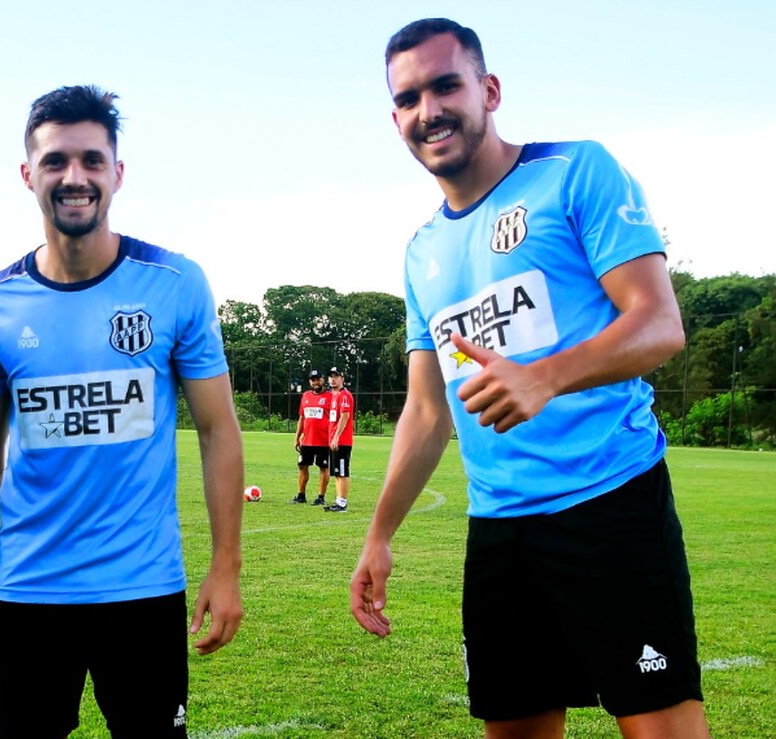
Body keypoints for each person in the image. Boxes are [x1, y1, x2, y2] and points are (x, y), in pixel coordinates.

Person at [349, 18, 710, 739]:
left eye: (446, 85)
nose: (430, 110)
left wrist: (545, 377)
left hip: (611, 503)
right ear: (396, 120)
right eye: (409, 97)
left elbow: (659, 320)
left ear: (488, 90)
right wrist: (379, 533)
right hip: (501, 531)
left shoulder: (576, 171)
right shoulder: (422, 251)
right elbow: (426, 410)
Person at [0, 84, 244, 738]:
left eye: (92, 160)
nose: (74, 176)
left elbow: (216, 428)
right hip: (29, 590)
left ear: (117, 173)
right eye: (56, 160)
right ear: (27, 174)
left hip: (143, 590)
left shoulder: (174, 283)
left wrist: (225, 564)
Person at [292, 369, 332, 505]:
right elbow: (302, 417)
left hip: (324, 441)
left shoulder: (331, 397)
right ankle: (301, 495)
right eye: (312, 379)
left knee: (323, 467)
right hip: (307, 440)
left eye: (318, 379)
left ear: (323, 380)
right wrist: (297, 437)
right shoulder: (306, 396)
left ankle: (321, 497)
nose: (315, 382)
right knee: (303, 466)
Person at [324, 367, 354, 512]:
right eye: (330, 377)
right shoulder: (333, 395)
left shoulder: (344, 395)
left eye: (336, 376)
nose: (333, 379)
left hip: (342, 441)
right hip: (334, 440)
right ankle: (338, 501)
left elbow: (345, 416)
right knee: (336, 472)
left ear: (342, 378)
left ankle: (342, 503)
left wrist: (336, 437)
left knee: (342, 471)